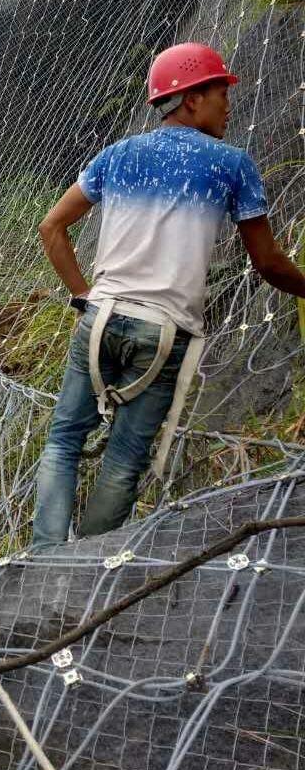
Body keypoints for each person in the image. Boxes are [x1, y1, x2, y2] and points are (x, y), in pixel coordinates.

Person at [31, 42, 305, 550]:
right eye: (221, 93)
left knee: (64, 440)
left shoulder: (116, 155)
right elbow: (268, 263)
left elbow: (51, 226)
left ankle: (44, 556)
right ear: (191, 98)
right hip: (166, 332)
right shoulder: (232, 165)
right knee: (125, 459)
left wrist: (82, 297)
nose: (228, 105)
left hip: (102, 317)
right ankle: (85, 570)